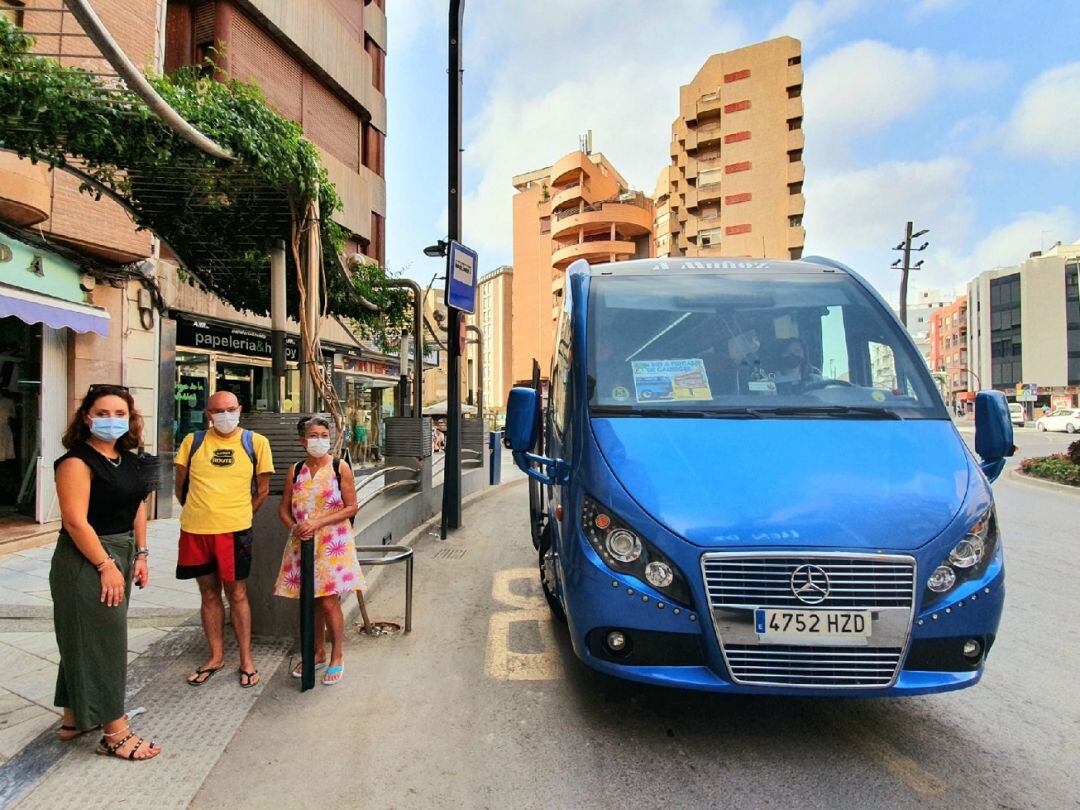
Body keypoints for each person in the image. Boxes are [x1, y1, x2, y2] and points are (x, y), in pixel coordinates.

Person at [52, 384, 160, 760]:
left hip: (122, 550)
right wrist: (105, 565)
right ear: (87, 417)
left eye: (120, 414)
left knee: (89, 636)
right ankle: (114, 732)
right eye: (103, 413)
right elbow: (75, 522)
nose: (112, 420)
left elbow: (138, 508)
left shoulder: (129, 460)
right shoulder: (76, 462)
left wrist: (142, 554)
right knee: (104, 644)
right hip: (87, 556)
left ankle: (74, 718)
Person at [175, 391, 274, 688]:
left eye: (231, 409)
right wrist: (200, 511)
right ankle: (215, 656)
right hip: (195, 531)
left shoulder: (256, 443)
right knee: (208, 594)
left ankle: (246, 659)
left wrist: (240, 514)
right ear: (208, 414)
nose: (225, 415)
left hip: (234, 532)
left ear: (240, 409)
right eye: (218, 410)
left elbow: (264, 490)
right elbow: (180, 486)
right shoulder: (193, 442)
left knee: (238, 594)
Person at [274, 416, 363, 686]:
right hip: (303, 542)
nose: (319, 440)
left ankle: (337, 655)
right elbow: (284, 509)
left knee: (328, 601)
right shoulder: (296, 469)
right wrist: (296, 528)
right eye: (313, 435)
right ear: (303, 440)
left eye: (324, 434)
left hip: (333, 544)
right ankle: (317, 652)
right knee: (310, 601)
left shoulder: (340, 467)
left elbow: (351, 507)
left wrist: (317, 523)